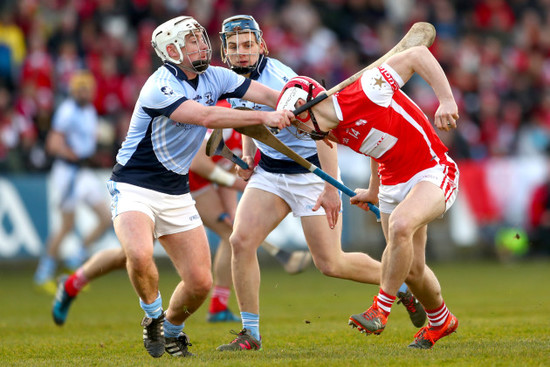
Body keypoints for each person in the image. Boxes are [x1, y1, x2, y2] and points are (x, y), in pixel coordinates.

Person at [215, 15, 426, 352]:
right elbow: (248, 120)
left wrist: (330, 188)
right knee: (241, 242)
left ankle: (400, 286)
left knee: (331, 264)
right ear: (225, 51)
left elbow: (322, 133)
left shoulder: (282, 80)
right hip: (270, 173)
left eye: (247, 45)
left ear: (261, 45)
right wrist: (248, 155)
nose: (241, 52)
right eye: (235, 47)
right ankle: (250, 334)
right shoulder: (228, 79)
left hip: (312, 173)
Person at [98, 15, 292, 359]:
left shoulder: (215, 76)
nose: (203, 46)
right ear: (171, 50)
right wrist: (264, 117)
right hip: (134, 186)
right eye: (193, 42)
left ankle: (171, 331)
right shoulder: (159, 87)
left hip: (176, 191)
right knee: (141, 255)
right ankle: (153, 317)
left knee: (200, 284)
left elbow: (267, 94)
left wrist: (297, 103)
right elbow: (206, 117)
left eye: (202, 39)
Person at [275, 45, 460, 349]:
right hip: (390, 182)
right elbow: (375, 144)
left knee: (401, 225)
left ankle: (380, 309)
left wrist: (446, 99)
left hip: (431, 169)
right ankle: (441, 321)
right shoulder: (328, 130)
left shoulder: (367, 89)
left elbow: (417, 55)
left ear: (308, 106)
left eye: (299, 122)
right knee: (412, 270)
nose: (302, 132)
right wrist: (375, 189)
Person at [51, 129, 311, 327]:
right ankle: (73, 284)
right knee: (132, 255)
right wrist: (239, 186)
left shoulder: (247, 137)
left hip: (201, 188)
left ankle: (73, 283)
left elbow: (228, 180)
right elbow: (198, 163)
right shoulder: (225, 116)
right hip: (176, 185)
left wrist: (235, 214)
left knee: (229, 234)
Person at [33, 70, 111, 295]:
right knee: (67, 225)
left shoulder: (89, 111)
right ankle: (43, 272)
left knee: (106, 218)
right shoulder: (67, 111)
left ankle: (75, 258)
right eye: (81, 89)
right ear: (74, 90)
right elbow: (53, 143)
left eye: (87, 89)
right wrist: (72, 154)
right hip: (68, 172)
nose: (84, 93)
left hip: (84, 172)